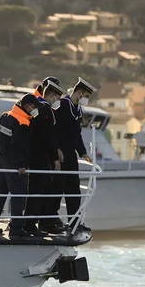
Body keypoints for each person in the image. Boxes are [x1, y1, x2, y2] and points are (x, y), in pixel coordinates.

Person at [0, 94, 40, 238]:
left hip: (0, 162)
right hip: (15, 166)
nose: (35, 110)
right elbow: (17, 146)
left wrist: (3, 148)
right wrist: (21, 165)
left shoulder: (5, 115)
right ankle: (16, 229)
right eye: (34, 107)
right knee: (18, 197)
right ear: (27, 106)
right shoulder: (23, 123)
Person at [51, 77, 95, 232]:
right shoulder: (63, 105)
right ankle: (52, 220)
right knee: (57, 188)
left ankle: (75, 222)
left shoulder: (77, 109)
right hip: (60, 154)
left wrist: (83, 153)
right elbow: (53, 129)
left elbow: (77, 135)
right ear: (80, 93)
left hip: (70, 156)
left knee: (74, 190)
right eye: (87, 96)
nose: (87, 100)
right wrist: (56, 149)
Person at [25, 79, 64, 235]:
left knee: (38, 190)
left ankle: (38, 222)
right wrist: (55, 157)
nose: (58, 101)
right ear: (53, 96)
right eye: (57, 98)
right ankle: (34, 223)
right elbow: (46, 136)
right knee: (40, 190)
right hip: (40, 157)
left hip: (34, 155)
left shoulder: (36, 107)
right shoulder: (44, 109)